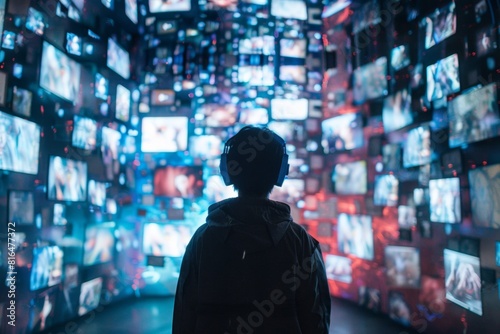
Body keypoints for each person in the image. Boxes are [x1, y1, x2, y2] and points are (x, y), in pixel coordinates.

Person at [173, 126, 330, 333]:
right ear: (280, 172)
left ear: (227, 169)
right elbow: (316, 318)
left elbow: (185, 315)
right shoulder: (300, 242)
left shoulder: (202, 239)